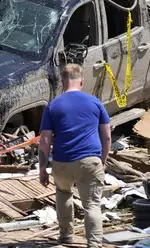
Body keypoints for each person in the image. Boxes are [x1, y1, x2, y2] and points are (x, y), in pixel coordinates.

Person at [38, 64, 112, 248]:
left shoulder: (53, 105)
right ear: (82, 81)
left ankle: (65, 236)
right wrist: (102, 159)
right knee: (92, 205)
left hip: (62, 162)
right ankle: (94, 244)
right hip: (89, 161)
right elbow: (107, 136)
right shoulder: (95, 102)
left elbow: (45, 140)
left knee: (63, 194)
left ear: (63, 82)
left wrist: (42, 169)